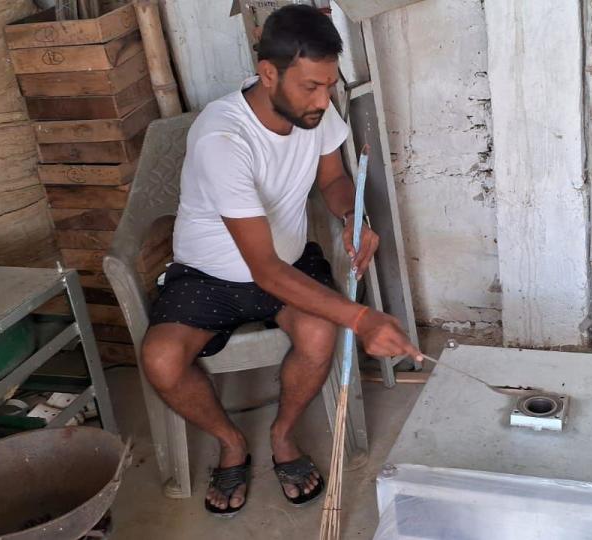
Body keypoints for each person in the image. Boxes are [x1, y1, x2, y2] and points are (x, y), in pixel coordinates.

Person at [141, 4, 422, 517]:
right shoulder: (223, 138)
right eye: (311, 87)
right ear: (268, 73)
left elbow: (334, 180)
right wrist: (363, 320)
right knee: (161, 360)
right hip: (210, 275)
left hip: (288, 262)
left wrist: (350, 217)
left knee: (317, 334)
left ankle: (283, 434)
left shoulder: (313, 111)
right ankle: (231, 443)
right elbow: (262, 270)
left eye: (329, 85)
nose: (323, 99)